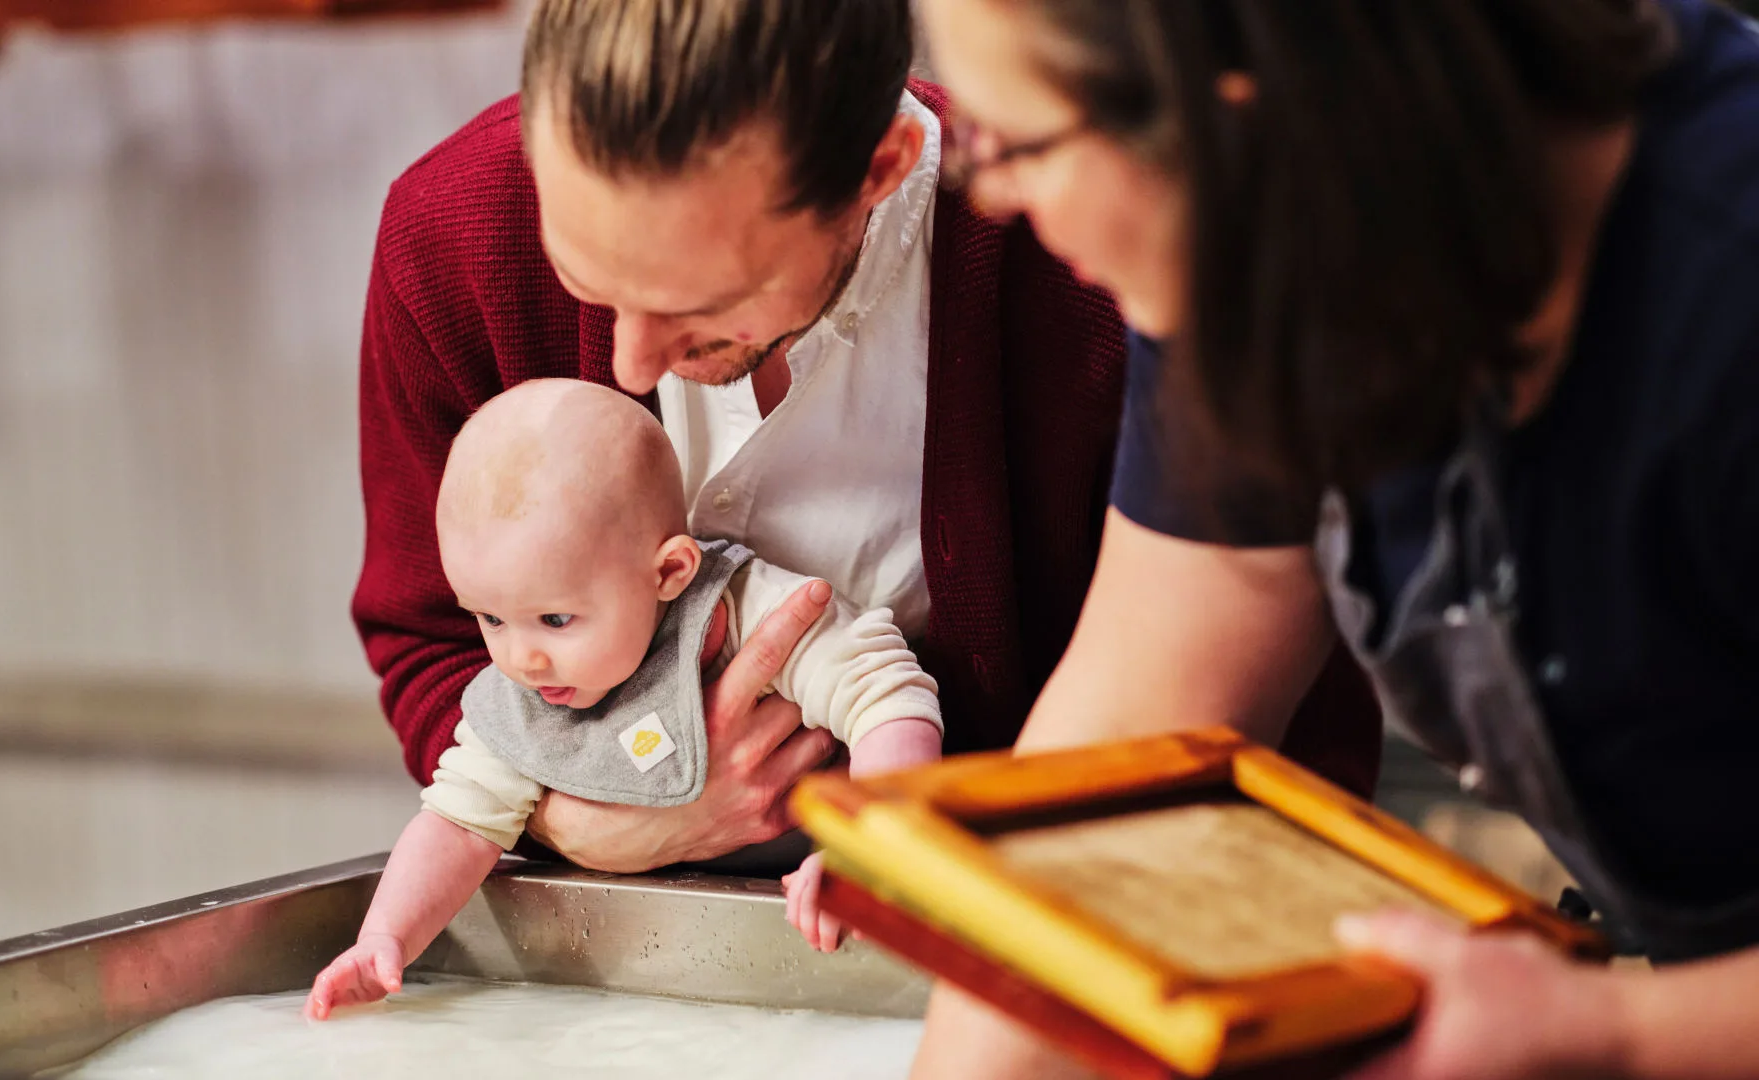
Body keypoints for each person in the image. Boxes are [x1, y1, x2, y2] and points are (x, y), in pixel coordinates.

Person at [910, 0, 1759, 1077]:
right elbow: (1115, 761)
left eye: (1013, 144)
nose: (990, 194)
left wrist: (1612, 1034)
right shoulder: (1258, 252)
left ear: (1238, 115)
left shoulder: (1726, 280)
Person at [351, 0, 1382, 877]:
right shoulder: (451, 243)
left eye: (707, 308)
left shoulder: (1098, 277)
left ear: (878, 169)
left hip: (1046, 897)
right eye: (589, 282)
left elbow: (1251, 715)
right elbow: (430, 645)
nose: (628, 364)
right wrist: (588, 814)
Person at [311, 381, 940, 1018]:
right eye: (489, 619)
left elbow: (892, 699)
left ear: (670, 573)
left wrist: (871, 849)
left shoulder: (748, 613)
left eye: (555, 619)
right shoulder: (529, 695)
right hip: (674, 972)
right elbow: (456, 823)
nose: (519, 660)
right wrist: (384, 937)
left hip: (837, 943)